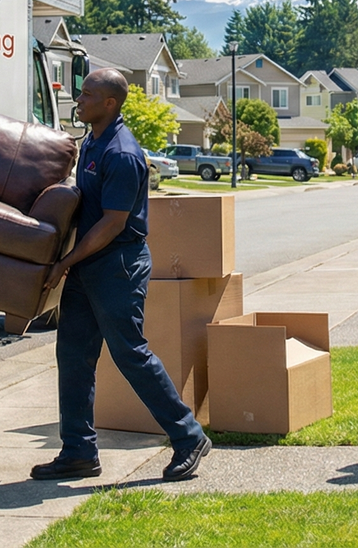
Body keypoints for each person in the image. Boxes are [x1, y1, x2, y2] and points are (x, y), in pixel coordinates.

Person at [32, 68, 211, 483]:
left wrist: (65, 262)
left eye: (87, 94)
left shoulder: (123, 153)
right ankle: (78, 451)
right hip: (87, 263)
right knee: (73, 355)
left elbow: (112, 223)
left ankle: (188, 436)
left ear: (110, 103)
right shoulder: (93, 141)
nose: (79, 99)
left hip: (117, 266)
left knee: (130, 353)